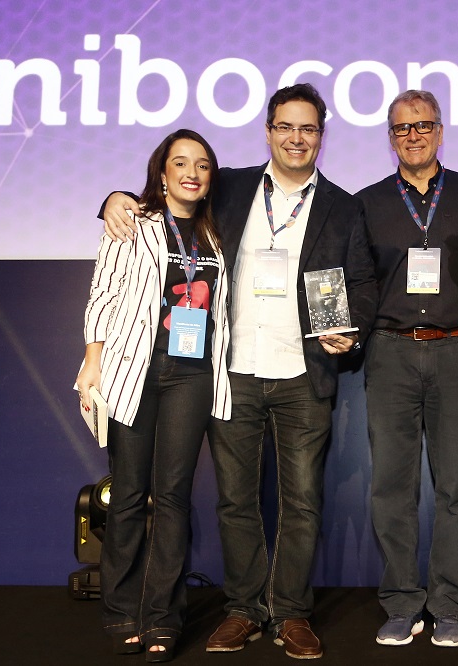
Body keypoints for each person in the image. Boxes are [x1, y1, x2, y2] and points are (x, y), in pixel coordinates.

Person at [100, 84, 378, 660]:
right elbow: (167, 196)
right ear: (269, 130)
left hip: (305, 371)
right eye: (285, 127)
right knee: (235, 500)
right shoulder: (229, 187)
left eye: (307, 129)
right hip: (233, 371)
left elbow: (363, 284)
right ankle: (244, 609)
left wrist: (351, 330)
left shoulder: (345, 207)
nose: (295, 138)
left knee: (302, 501)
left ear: (321, 137)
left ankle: (292, 613)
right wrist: (112, 197)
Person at [76, 129, 231, 662]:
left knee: (172, 498)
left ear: (211, 178)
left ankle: (163, 617)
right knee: (127, 496)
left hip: (192, 376)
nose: (192, 172)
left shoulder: (215, 235)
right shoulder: (132, 224)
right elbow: (103, 291)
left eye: (202, 165)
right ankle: (121, 612)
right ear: (161, 173)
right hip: (135, 370)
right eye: (180, 162)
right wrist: (92, 361)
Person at [355, 90, 458, 648]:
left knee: (456, 487)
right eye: (400, 129)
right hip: (389, 353)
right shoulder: (367, 202)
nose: (412, 135)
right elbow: (360, 281)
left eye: (422, 125)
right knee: (391, 487)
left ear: (440, 131)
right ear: (389, 137)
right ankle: (399, 602)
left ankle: (448, 605)